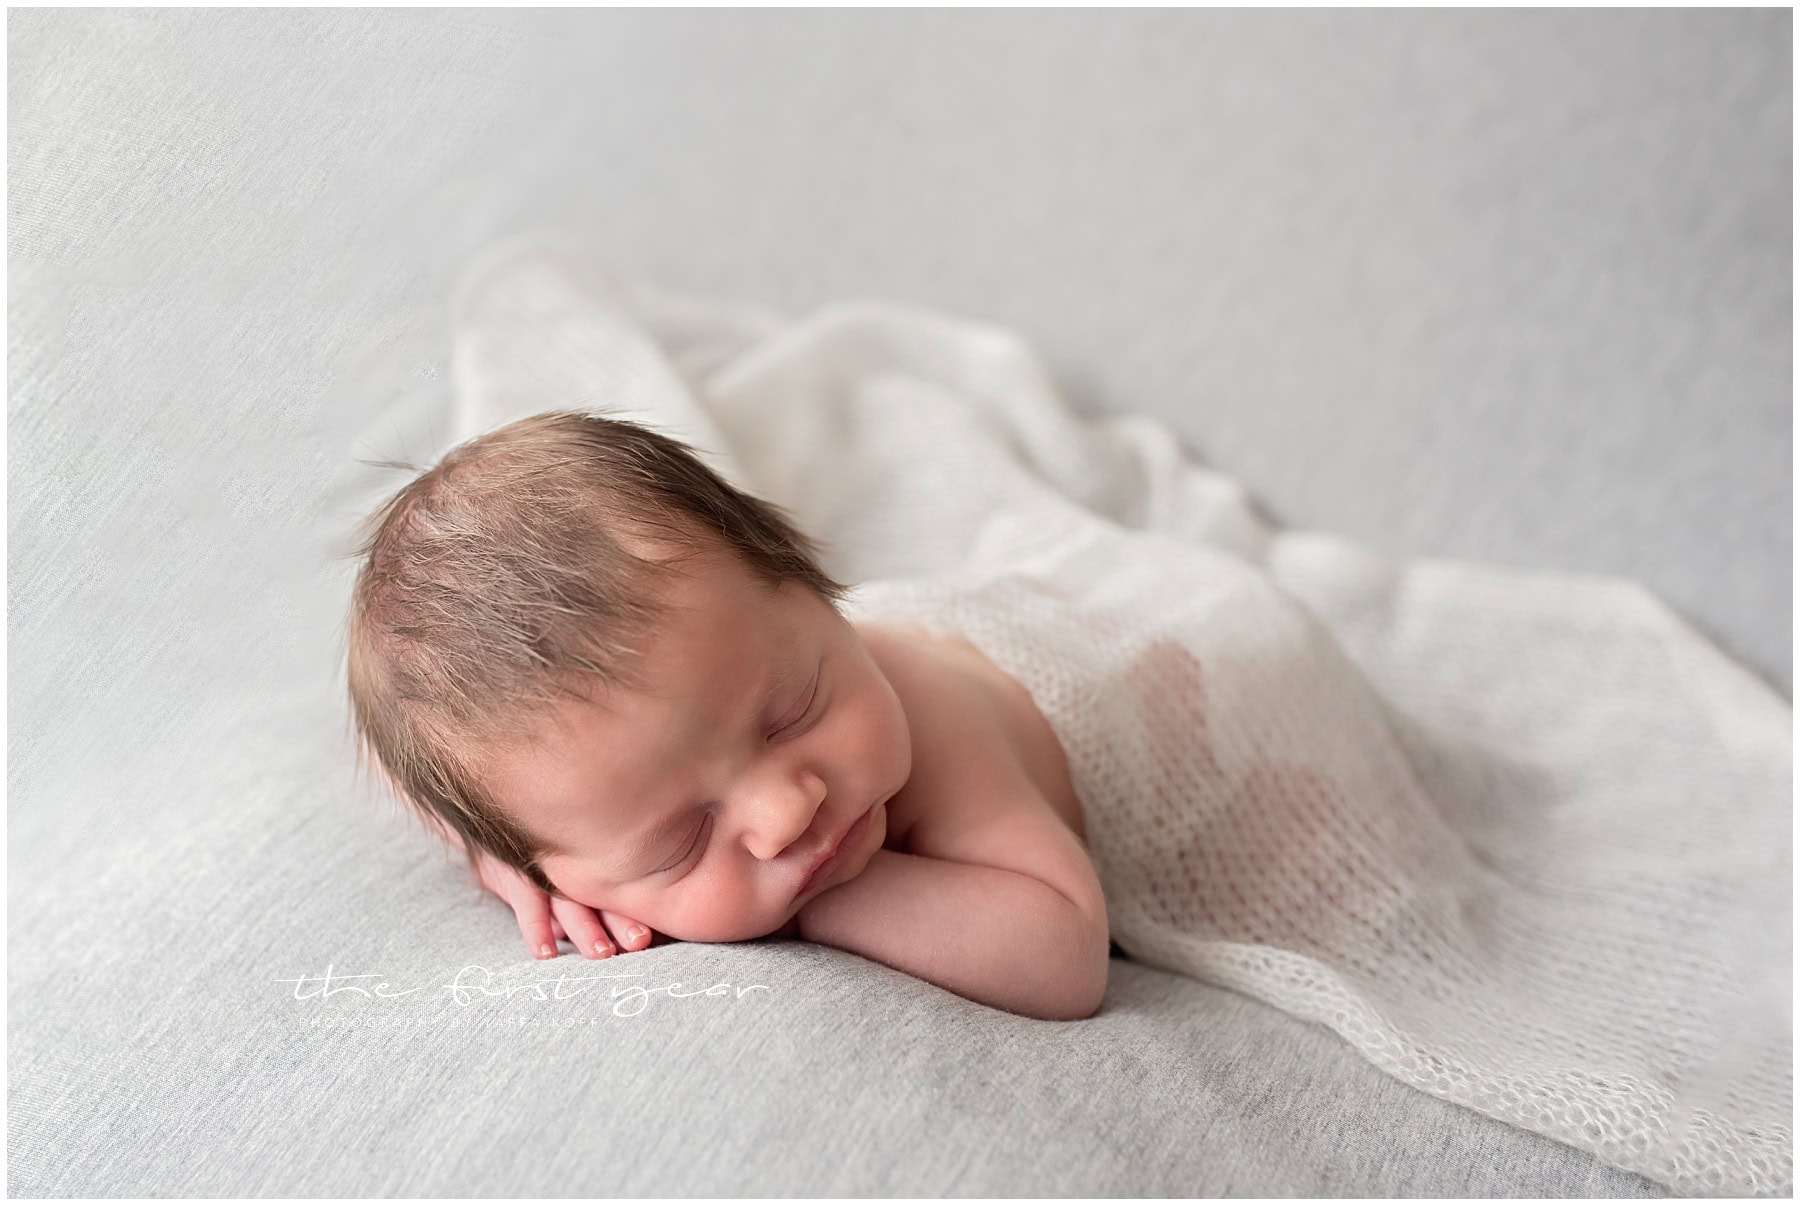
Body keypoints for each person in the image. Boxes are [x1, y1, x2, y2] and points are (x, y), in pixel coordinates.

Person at [346, 410, 1109, 1021]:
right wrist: (506, 863)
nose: (785, 814)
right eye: (685, 837)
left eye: (792, 714)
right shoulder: (559, 785)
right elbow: (420, 772)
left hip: (1126, 684)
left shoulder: (930, 712)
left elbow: (1066, 957)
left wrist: (812, 907)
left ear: (821, 596)